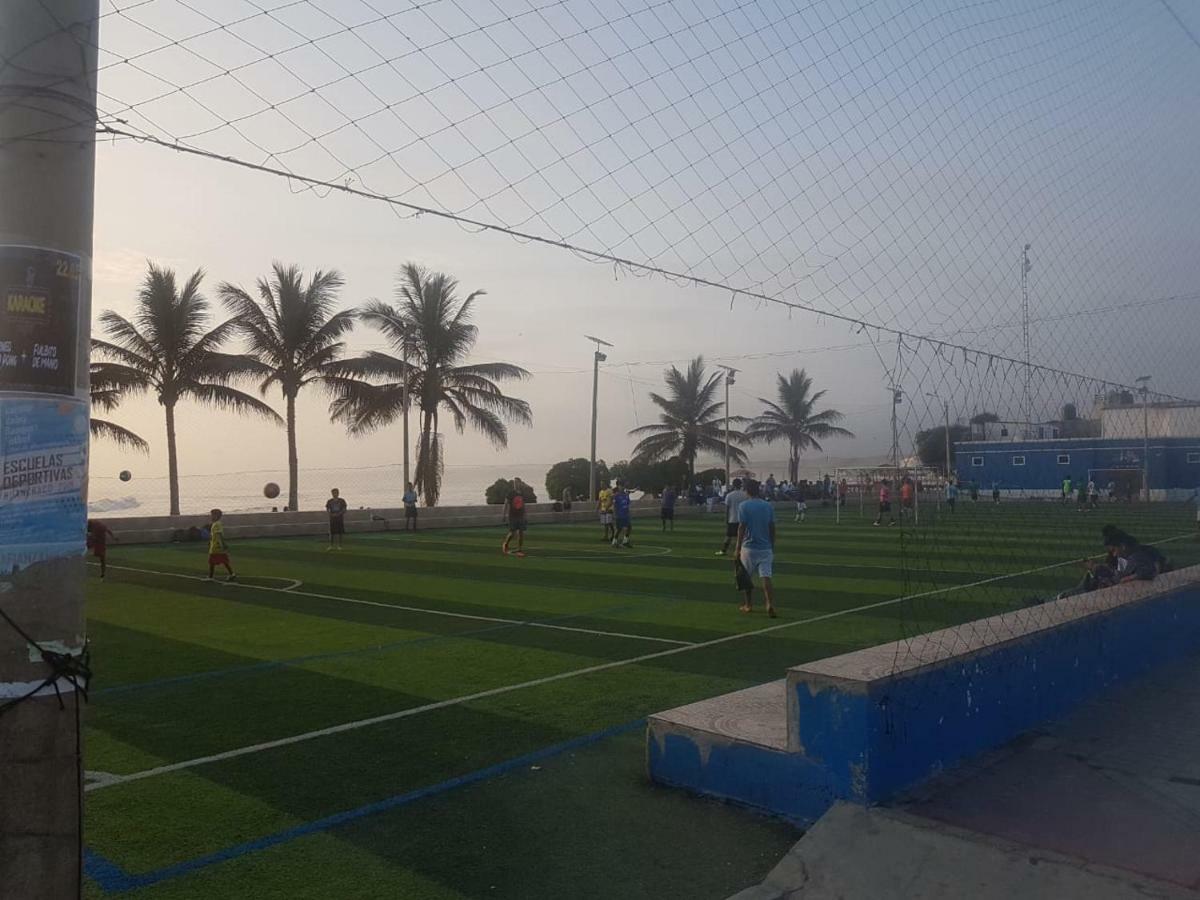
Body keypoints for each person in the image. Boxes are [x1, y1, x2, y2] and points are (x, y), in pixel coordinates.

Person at [735, 480, 777, 617]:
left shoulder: (744, 506)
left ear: (747, 490)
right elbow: (772, 527)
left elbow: (741, 527)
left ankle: (748, 605)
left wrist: (737, 547)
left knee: (746, 577)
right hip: (765, 547)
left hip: (749, 547)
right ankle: (769, 603)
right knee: (766, 576)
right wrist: (772, 544)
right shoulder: (768, 506)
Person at [717, 478, 748, 555]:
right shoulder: (745, 495)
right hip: (743, 519)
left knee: (729, 536)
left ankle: (724, 550)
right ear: (741, 485)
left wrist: (726, 519)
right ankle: (744, 551)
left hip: (733, 518)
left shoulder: (729, 495)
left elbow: (727, 509)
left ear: (733, 485)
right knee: (744, 537)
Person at [207, 508, 236, 581]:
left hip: (217, 546)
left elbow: (219, 535)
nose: (211, 517)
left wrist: (223, 544)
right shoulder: (216, 524)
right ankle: (231, 574)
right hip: (216, 545)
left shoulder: (217, 524)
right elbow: (214, 535)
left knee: (212, 561)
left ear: (217, 516)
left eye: (212, 515)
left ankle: (211, 577)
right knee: (223, 561)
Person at [502, 478, 529, 557]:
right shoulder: (510, 493)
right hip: (512, 516)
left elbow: (523, 505)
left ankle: (519, 548)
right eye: (515, 483)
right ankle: (506, 544)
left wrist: (525, 515)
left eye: (517, 483)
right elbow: (506, 504)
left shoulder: (521, 494)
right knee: (512, 533)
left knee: (521, 533)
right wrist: (504, 515)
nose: (516, 484)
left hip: (521, 516)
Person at [612, 480, 633, 548]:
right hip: (619, 515)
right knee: (619, 529)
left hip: (626, 515)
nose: (622, 487)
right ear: (618, 486)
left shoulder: (626, 495)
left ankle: (625, 541)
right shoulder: (616, 495)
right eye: (621, 486)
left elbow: (628, 504)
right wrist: (615, 514)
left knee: (629, 527)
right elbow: (614, 506)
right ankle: (614, 542)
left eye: (623, 486)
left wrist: (628, 512)